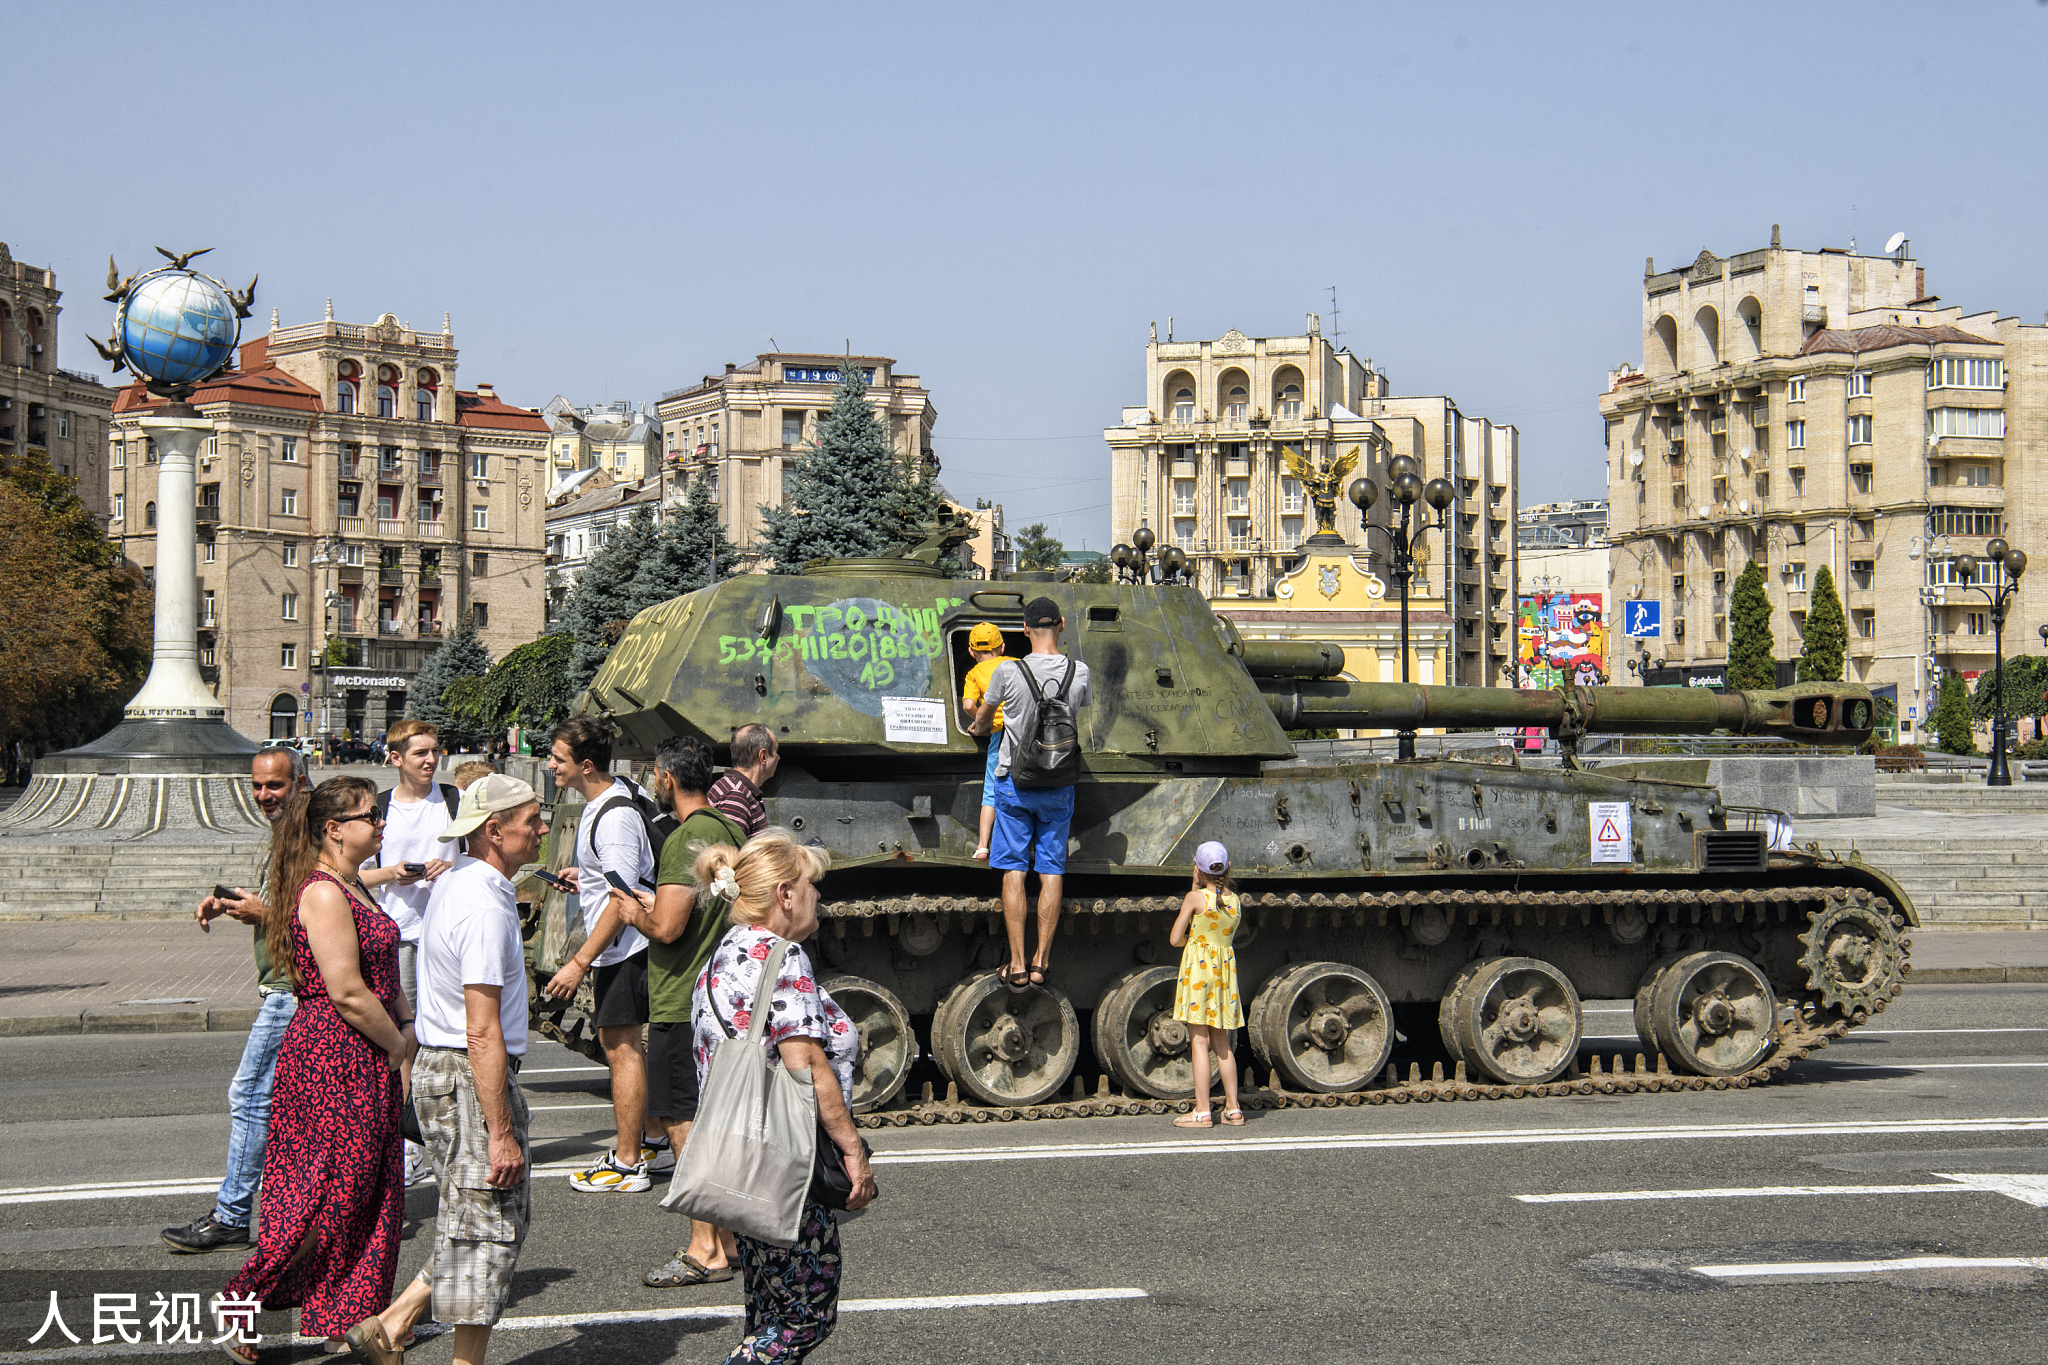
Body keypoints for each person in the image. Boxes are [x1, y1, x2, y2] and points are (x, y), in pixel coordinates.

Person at [217, 777, 412, 1365]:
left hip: (365, 1051)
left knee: (371, 1194)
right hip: (336, 1054)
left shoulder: (352, 883)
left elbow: (383, 974)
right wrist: (398, 1045)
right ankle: (239, 1300)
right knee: (323, 1197)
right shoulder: (324, 892)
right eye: (370, 816)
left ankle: (348, 1321)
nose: (380, 824)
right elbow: (347, 990)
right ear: (334, 829)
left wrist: (405, 1023)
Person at [368, 776, 545, 1365]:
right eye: (533, 819)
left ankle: (395, 1325)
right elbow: (482, 1027)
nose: (543, 828)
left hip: (451, 1070)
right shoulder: (483, 903)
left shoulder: (464, 879)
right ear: (495, 830)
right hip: (469, 1072)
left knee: (480, 1217)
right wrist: (499, 1131)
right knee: (487, 1224)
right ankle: (431, 1345)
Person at [690, 829, 875, 1363]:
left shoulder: (723, 955)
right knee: (805, 1317)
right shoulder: (782, 956)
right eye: (812, 885)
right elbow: (808, 1064)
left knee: (768, 1310)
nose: (819, 895)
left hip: (738, 1157)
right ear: (784, 895)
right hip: (784, 1161)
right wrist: (852, 1149)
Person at [606, 735, 746, 1289]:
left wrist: (630, 910)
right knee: (711, 1122)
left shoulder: (685, 837)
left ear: (665, 776)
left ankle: (703, 1246)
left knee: (682, 1123)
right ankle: (729, 1240)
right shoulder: (732, 828)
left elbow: (667, 928)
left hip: (679, 996)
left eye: (652, 776)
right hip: (718, 996)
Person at [162, 746, 309, 1255]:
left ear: (300, 783)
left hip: (289, 991)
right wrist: (235, 902)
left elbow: (319, 920)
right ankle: (306, 1214)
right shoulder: (287, 835)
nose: (264, 795)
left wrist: (263, 914)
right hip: (287, 987)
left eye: (276, 785)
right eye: (258, 786)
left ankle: (231, 1215)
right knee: (294, 1107)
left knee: (249, 1098)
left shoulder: (308, 838)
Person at [542, 717, 665, 1193]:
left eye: (558, 758)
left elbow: (624, 900)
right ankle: (651, 1140)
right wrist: (586, 876)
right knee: (628, 1049)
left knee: (622, 1051)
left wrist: (579, 962)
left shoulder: (613, 816)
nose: (550, 764)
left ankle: (629, 1163)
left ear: (585, 765)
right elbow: (612, 881)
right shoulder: (604, 800)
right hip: (621, 948)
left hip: (624, 950)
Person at [359, 719, 460, 1185]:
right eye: (420, 753)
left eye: (434, 752)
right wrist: (392, 873)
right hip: (396, 933)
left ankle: (444, 1128)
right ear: (395, 758)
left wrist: (450, 867)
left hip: (445, 932)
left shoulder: (453, 800)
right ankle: (406, 1140)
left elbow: (478, 856)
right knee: (405, 1035)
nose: (430, 760)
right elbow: (351, 875)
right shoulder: (379, 808)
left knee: (447, 1031)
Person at [971, 596, 1090, 990]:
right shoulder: (1080, 671)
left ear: (1024, 630)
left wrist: (979, 726)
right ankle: (1042, 962)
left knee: (1014, 870)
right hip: (1059, 782)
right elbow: (1077, 712)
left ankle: (1018, 964)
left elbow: (985, 718)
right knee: (1052, 870)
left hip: (1015, 782)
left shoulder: (1008, 671)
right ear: (1060, 625)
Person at [1167, 841, 1244, 1129]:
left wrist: (1195, 942)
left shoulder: (1194, 898)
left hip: (1199, 975)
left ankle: (1202, 1111)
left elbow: (1175, 938)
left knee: (1199, 1042)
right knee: (1222, 1043)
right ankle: (1233, 1108)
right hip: (1224, 975)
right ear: (1228, 869)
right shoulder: (1235, 901)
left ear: (1197, 868)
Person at [959, 622, 1010, 861]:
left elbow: (968, 705)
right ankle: (1029, 845)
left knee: (991, 791)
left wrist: (981, 721)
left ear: (971, 652)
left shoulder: (973, 674)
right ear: (1002, 647)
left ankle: (982, 846)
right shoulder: (1016, 664)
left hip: (998, 735)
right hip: (1024, 734)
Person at [708, 723, 778, 837]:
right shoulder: (735, 795)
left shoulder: (736, 788)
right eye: (776, 751)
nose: (778, 757)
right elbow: (728, 852)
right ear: (763, 756)